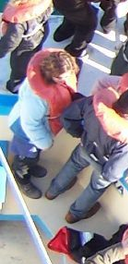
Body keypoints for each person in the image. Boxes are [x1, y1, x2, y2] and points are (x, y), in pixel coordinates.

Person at [45, 87, 128, 223]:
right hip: (103, 162)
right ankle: (74, 214)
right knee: (96, 187)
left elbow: (68, 116)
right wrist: (104, 174)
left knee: (73, 164)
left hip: (85, 146)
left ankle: (52, 191)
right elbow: (112, 173)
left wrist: (78, 133)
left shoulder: (96, 105)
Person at [6, 49, 79, 198]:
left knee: (34, 154)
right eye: (62, 77)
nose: (66, 79)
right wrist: (45, 142)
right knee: (26, 156)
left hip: (40, 126)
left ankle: (31, 165)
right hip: (24, 130)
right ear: (52, 75)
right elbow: (30, 124)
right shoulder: (37, 98)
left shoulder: (52, 82)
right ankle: (21, 176)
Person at [1, 0, 54, 92]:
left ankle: (15, 87)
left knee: (19, 66)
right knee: (34, 54)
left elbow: (11, 41)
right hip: (40, 34)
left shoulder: (19, 21)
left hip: (25, 45)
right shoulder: (43, 2)